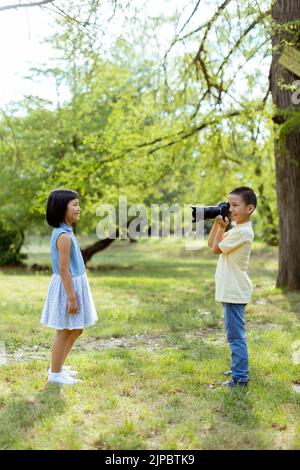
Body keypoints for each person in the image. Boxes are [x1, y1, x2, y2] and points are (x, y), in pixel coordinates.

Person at [41, 189, 98, 385]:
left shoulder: (67, 231)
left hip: (75, 284)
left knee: (76, 328)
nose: (78, 208)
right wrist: (72, 297)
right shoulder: (63, 236)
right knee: (65, 330)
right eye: (74, 205)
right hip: (68, 287)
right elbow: (64, 270)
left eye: (78, 204)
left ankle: (58, 366)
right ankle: (55, 374)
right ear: (61, 209)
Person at [207, 186, 257, 387]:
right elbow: (212, 244)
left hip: (235, 291)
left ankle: (240, 378)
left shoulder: (243, 232)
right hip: (231, 290)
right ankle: (239, 369)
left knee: (236, 337)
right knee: (233, 334)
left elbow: (217, 249)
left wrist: (221, 227)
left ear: (250, 208)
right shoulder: (237, 229)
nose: (231, 209)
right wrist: (218, 225)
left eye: (236, 205)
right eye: (230, 205)